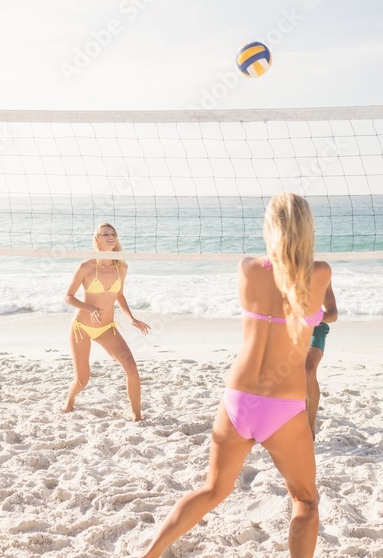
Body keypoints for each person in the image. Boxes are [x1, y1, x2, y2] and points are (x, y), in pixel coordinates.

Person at [139, 193, 332, 558]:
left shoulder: (246, 267)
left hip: (238, 399)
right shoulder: (320, 273)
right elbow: (320, 303)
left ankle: (149, 554)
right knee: (305, 501)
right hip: (284, 406)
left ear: (269, 227)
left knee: (213, 490)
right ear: (308, 229)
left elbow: (275, 275)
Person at [63, 222, 151, 421]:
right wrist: (91, 308)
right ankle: (69, 401)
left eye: (113, 233)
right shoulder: (86, 267)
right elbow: (68, 296)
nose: (110, 236)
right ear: (97, 240)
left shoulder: (122, 267)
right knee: (82, 380)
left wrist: (131, 318)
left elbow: (119, 295)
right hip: (82, 328)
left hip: (106, 328)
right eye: (104, 234)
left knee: (131, 366)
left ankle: (137, 417)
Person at [305, 284, 338, 438]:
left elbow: (333, 314)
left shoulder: (319, 271)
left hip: (315, 326)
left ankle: (309, 430)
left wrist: (312, 317)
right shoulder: (276, 270)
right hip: (285, 327)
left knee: (308, 369)